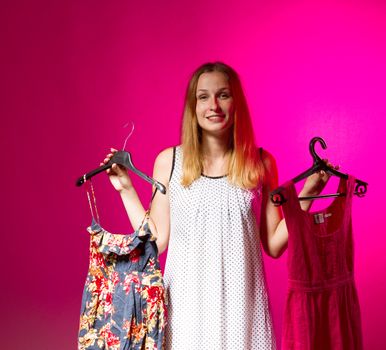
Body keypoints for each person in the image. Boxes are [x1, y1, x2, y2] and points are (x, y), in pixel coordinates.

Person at [102, 62, 331, 349]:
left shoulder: (261, 163)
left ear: (236, 103)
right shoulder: (169, 162)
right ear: (193, 106)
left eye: (223, 95)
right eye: (203, 97)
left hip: (242, 309)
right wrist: (125, 189)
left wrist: (308, 194)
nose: (214, 105)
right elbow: (157, 241)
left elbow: (273, 244)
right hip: (185, 309)